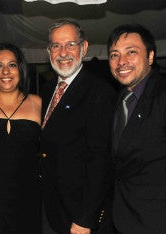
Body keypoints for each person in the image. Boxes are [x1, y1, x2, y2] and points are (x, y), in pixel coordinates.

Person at [40, 18, 116, 234]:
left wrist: (86, 218)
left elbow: (100, 162)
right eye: (56, 45)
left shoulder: (100, 93)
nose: (63, 52)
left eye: (70, 44)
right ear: (49, 51)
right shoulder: (47, 90)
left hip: (79, 216)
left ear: (84, 48)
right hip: (51, 209)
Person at [0, 42, 42, 234]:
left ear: (21, 68)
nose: (5, 72)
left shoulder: (38, 103)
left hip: (29, 196)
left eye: (12, 65)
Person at [108, 24, 166, 234]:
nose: (121, 62)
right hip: (124, 218)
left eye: (131, 52)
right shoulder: (119, 99)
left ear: (150, 56)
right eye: (114, 55)